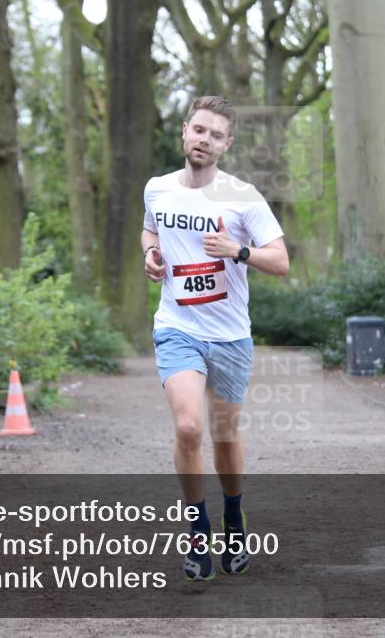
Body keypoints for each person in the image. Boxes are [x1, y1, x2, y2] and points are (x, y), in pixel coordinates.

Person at [141, 96, 289, 580]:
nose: (204, 139)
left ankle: (233, 516)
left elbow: (281, 261)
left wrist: (238, 250)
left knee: (225, 435)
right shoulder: (158, 189)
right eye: (198, 130)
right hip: (177, 326)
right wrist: (151, 256)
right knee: (188, 427)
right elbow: (150, 232)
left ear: (227, 144)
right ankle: (197, 530)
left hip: (229, 336)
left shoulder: (242, 196)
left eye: (215, 134)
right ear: (185, 131)